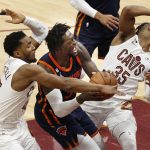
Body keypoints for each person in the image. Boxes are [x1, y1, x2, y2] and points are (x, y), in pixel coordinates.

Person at [0, 9, 119, 150]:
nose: (34, 47)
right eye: (28, 45)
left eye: (31, 43)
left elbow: (42, 31)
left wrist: (25, 19)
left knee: (98, 144)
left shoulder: (15, 59)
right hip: (8, 129)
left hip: (18, 123)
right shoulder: (29, 69)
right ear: (18, 53)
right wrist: (99, 88)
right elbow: (65, 83)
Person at [34, 23, 122, 150]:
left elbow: (96, 77)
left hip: (72, 106)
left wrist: (105, 83)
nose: (75, 43)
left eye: (73, 38)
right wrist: (83, 97)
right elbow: (59, 110)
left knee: (100, 145)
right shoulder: (45, 68)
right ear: (58, 48)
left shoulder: (77, 50)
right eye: (70, 41)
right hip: (52, 114)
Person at [81, 5, 150, 150]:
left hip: (120, 105)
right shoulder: (127, 37)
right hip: (96, 97)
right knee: (93, 146)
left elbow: (148, 95)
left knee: (130, 143)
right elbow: (127, 11)